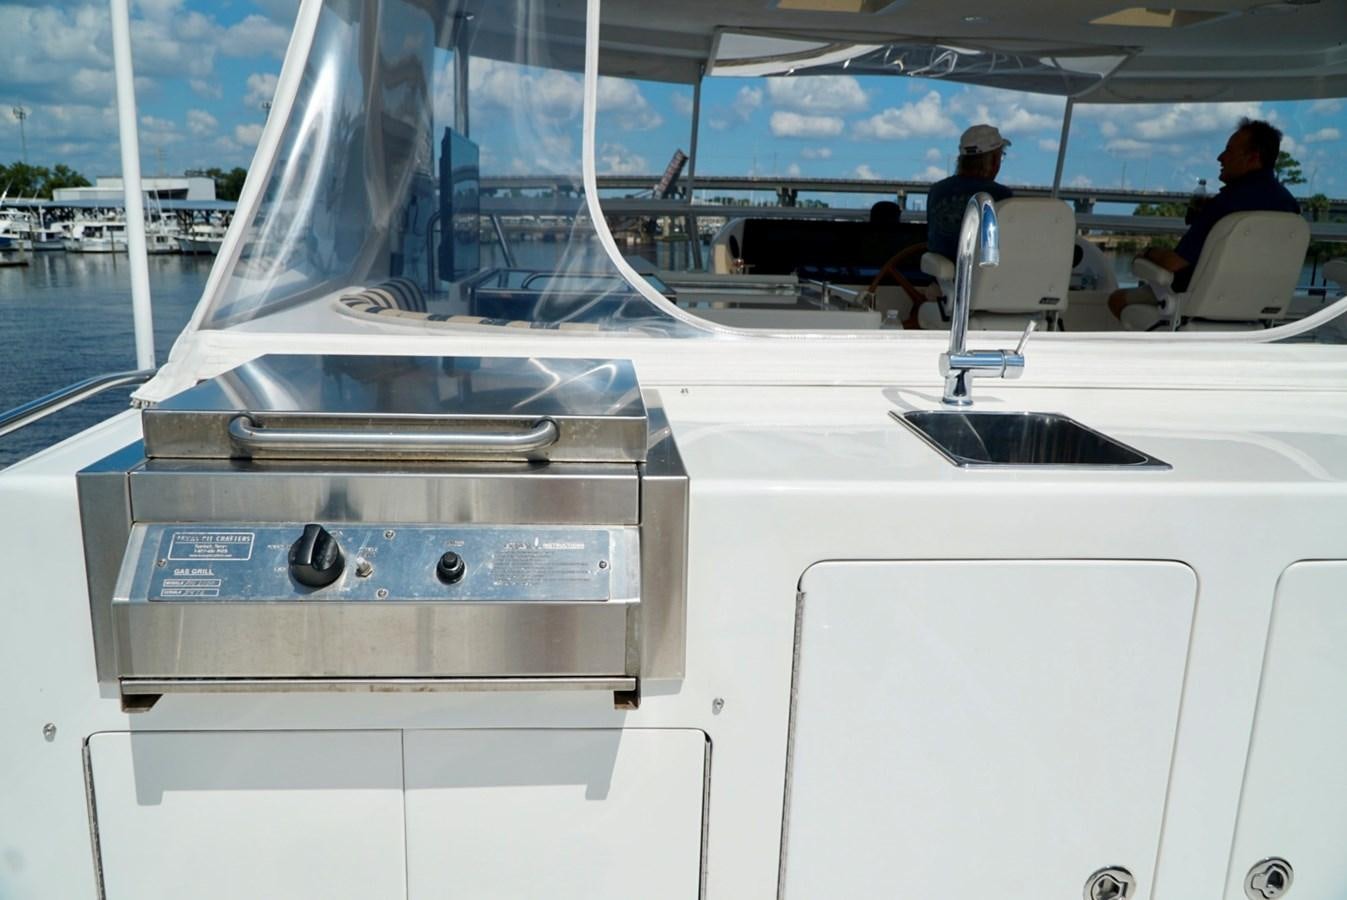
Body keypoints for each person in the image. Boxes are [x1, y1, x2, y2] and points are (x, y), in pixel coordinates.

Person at [1109, 118, 1301, 320]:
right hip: (1257, 315)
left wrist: (1148, 253)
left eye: (1229, 151)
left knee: (1117, 300)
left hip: (1194, 305)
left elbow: (1175, 264)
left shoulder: (1225, 205)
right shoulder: (1289, 206)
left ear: (1253, 159)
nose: (1220, 158)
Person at [925, 124, 1014, 261]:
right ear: (993, 161)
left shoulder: (936, 191)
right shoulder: (1002, 195)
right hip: (985, 272)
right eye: (1000, 156)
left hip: (940, 272)